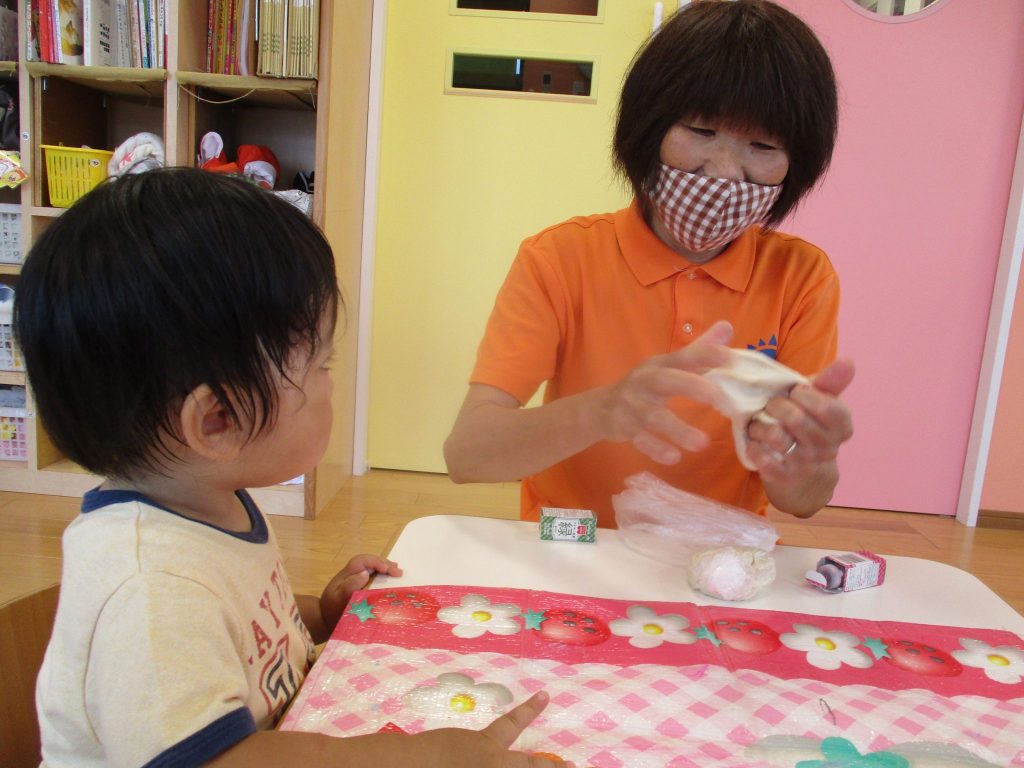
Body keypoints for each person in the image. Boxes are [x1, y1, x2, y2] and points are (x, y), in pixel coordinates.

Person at [17, 169, 566, 768]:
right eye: (321, 366)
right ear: (218, 421)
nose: (334, 385)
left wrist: (320, 615)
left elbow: (241, 632)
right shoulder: (152, 590)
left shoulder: (206, 500)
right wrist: (416, 759)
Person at [444, 0, 855, 528]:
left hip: (715, 565)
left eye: (762, 145)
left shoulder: (801, 278)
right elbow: (468, 455)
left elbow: (803, 501)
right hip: (569, 550)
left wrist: (806, 457)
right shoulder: (558, 259)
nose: (726, 172)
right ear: (648, 128)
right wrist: (603, 409)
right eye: (702, 132)